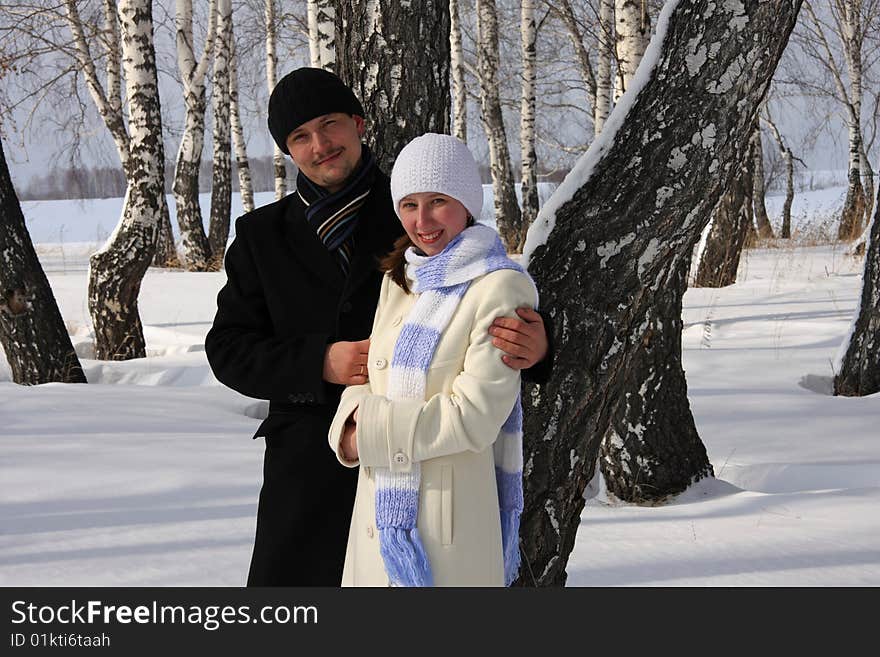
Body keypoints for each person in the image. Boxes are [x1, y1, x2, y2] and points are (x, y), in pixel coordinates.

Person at [205, 68, 551, 587]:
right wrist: (319, 361)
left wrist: (541, 345)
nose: (320, 145)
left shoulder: (418, 209)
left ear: (358, 123)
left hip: (425, 464)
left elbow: (485, 282)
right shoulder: (260, 237)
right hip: (309, 461)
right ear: (287, 151)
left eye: (330, 124)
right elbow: (228, 348)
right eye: (300, 136)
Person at [327, 133, 536, 587]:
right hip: (376, 513)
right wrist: (346, 432)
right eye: (408, 204)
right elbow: (369, 377)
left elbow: (474, 417)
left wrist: (372, 435)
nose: (421, 221)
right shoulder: (400, 279)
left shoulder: (498, 289)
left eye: (437, 201)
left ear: (466, 203)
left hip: (446, 525)